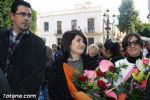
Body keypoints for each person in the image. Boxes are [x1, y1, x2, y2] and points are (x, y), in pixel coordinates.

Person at [0, 0, 47, 95]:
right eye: (22, 14)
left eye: (29, 15)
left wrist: (15, 96)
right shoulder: (1, 36)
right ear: (12, 16)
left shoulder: (39, 44)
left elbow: (37, 76)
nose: (27, 18)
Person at [45, 30, 97, 100]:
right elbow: (53, 91)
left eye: (83, 41)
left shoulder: (91, 62)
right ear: (68, 43)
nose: (83, 44)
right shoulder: (57, 65)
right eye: (78, 41)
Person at [114, 33, 144, 100]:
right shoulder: (118, 64)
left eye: (135, 42)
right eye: (128, 44)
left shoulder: (148, 64)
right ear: (126, 49)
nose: (132, 46)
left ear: (141, 46)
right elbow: (116, 87)